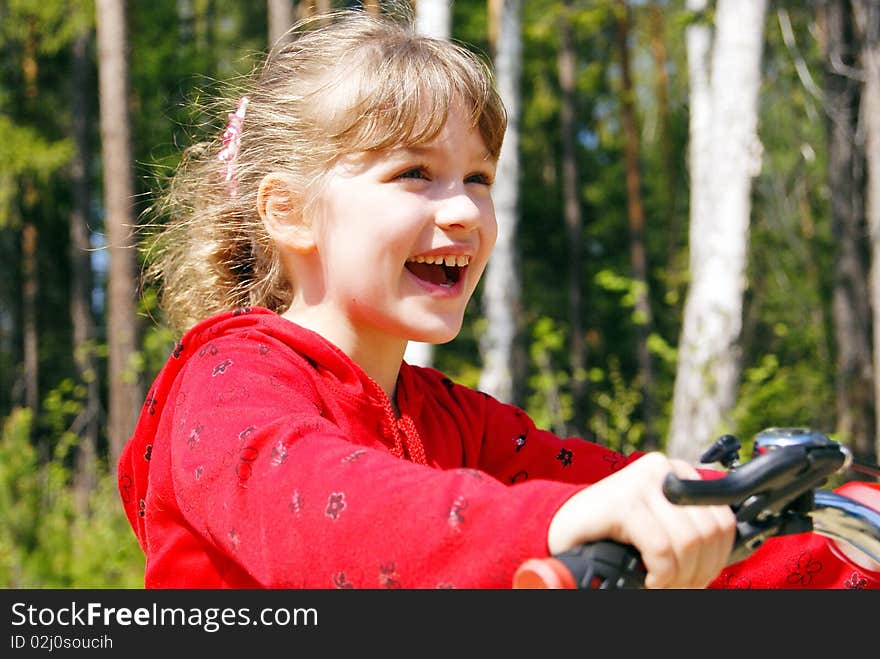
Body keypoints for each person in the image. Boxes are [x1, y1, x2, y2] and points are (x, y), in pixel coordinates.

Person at [117, 7, 879, 590]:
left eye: (478, 178)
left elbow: (610, 490)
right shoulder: (228, 383)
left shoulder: (453, 420)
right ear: (288, 211)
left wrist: (834, 542)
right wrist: (551, 524)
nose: (463, 212)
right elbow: (328, 515)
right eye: (415, 173)